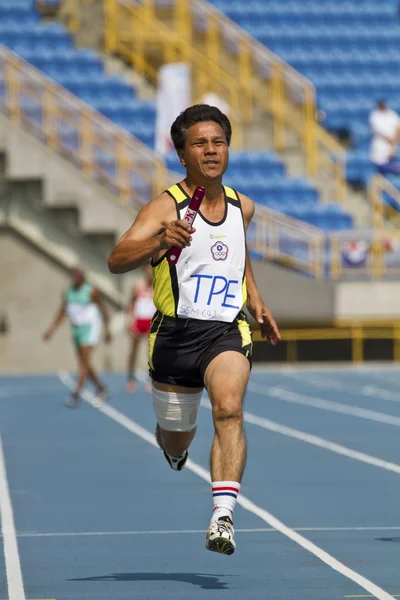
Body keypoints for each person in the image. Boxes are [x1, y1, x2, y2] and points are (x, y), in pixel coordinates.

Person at [107, 104, 280, 555]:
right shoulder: (166, 206)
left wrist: (256, 301)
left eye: (218, 142)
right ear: (182, 154)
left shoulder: (244, 207)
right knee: (176, 432)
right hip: (175, 337)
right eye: (199, 144)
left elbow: (237, 257)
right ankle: (175, 448)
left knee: (229, 409)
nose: (211, 150)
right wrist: (160, 240)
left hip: (225, 331)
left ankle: (222, 517)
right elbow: (117, 258)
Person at [43, 267, 112, 407]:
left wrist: (107, 329)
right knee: (84, 362)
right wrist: (51, 330)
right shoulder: (68, 292)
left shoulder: (91, 291)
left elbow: (103, 309)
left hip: (91, 327)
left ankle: (76, 393)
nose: (74, 278)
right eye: (73, 275)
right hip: (77, 330)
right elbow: (62, 312)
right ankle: (101, 388)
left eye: (77, 276)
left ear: (82, 277)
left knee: (84, 362)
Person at [126, 262, 155, 393]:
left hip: (150, 321)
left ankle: (151, 380)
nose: (149, 272)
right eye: (147, 270)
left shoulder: (157, 285)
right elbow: (131, 303)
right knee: (133, 352)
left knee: (151, 354)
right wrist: (130, 320)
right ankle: (131, 379)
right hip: (138, 320)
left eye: (151, 270)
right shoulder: (137, 286)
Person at [370, 99, 400, 174]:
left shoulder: (392, 114)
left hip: (392, 144)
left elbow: (398, 128)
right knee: (380, 162)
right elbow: (378, 131)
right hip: (381, 144)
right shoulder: (375, 115)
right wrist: (390, 140)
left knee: (390, 161)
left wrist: (394, 141)